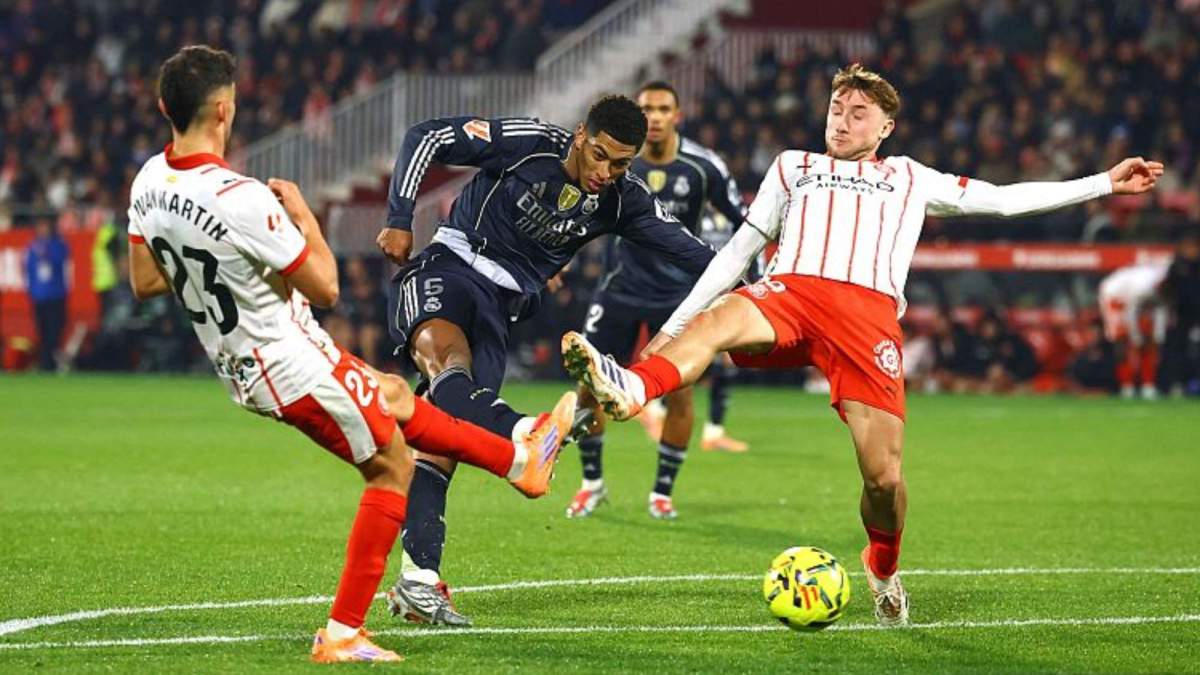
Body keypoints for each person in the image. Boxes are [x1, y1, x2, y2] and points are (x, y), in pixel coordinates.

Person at [561, 63, 1163, 627]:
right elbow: (738, 253)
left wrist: (1103, 184)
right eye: (836, 108)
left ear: (885, 127)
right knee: (719, 321)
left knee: (883, 478)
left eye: (857, 113)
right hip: (789, 293)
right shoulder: (792, 166)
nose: (841, 120)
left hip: (866, 320)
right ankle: (635, 386)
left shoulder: (909, 177)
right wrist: (673, 327)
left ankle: (883, 564)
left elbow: (1003, 199)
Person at [127, 45, 576, 663]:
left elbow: (146, 281)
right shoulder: (241, 197)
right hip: (285, 361)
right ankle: (343, 632)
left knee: (395, 393)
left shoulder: (149, 180)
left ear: (163, 107)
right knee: (391, 468)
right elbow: (327, 286)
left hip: (250, 356)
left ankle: (518, 460)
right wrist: (307, 220)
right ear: (226, 109)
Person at [375, 95, 715, 625]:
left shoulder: (622, 199)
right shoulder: (530, 143)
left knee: (444, 438)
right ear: (582, 135)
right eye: (601, 155)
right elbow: (429, 135)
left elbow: (699, 256)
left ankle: (418, 582)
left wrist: (769, 292)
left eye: (622, 163)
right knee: (446, 365)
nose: (607, 172)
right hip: (450, 266)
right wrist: (399, 218)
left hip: (500, 310)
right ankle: (529, 434)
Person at [569, 81, 751, 522]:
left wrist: (751, 280)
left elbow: (745, 225)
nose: (653, 116)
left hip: (678, 294)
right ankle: (592, 484)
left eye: (663, 108)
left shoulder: (701, 167)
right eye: (646, 108)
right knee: (589, 384)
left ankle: (662, 494)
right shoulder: (612, 163)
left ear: (677, 115)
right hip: (620, 286)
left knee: (681, 394)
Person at [1097, 262, 1170, 399]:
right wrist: (1137, 337)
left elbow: (1161, 309)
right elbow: (1131, 313)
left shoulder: (1167, 282)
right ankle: (1127, 387)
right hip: (1114, 296)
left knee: (1150, 343)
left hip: (1136, 301)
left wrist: (1158, 335)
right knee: (1122, 340)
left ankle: (1148, 386)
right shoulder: (1141, 288)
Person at [25, 219, 70, 371]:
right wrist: (31, 291)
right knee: (42, 331)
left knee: (54, 331)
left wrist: (46, 252)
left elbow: (62, 259)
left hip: (55, 295)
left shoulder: (58, 245)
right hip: (39, 297)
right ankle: (46, 363)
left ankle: (50, 361)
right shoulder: (32, 247)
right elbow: (29, 271)